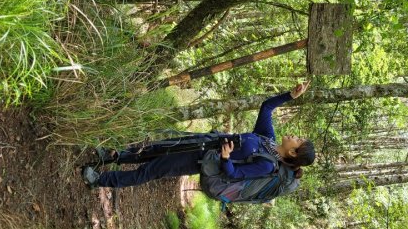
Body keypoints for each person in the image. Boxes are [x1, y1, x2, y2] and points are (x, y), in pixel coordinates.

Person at [81, 81, 315, 189]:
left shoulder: (266, 165)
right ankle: (110, 156)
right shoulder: (267, 139)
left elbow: (234, 175)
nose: (295, 135)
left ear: (293, 152)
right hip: (200, 142)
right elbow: (266, 107)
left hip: (198, 160)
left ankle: (99, 180)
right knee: (151, 150)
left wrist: (225, 159)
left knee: (149, 170)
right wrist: (289, 96)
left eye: (299, 140)